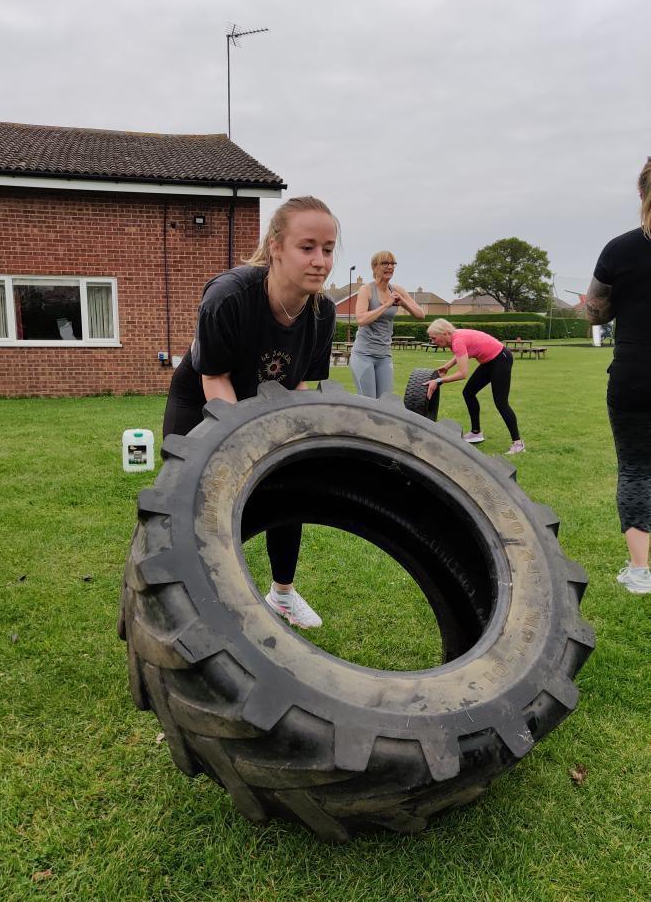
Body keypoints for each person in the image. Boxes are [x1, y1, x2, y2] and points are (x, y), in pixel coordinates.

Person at [162, 196, 338, 627]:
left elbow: (295, 385)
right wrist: (243, 442)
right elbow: (215, 378)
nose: (320, 261)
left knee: (287, 482)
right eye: (307, 247)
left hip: (265, 398)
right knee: (192, 497)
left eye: (329, 250)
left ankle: (282, 595)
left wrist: (277, 439)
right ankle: (178, 593)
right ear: (276, 246)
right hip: (202, 396)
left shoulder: (323, 312)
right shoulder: (229, 295)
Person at [584, 159, 651, 594]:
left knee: (636, 469)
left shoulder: (620, 249)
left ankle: (640, 571)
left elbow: (596, 309)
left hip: (635, 373)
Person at [424, 319, 524, 454]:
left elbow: (462, 374)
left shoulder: (457, 340)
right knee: (468, 392)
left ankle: (518, 443)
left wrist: (439, 381)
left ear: (445, 333)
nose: (433, 341)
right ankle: (476, 433)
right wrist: (447, 366)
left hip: (501, 359)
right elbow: (463, 353)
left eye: (434, 338)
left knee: (501, 402)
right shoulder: (455, 337)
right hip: (490, 361)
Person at [349, 251, 424, 397]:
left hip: (384, 355)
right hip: (364, 355)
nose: (389, 267)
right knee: (369, 404)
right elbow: (361, 319)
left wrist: (403, 303)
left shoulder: (397, 290)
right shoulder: (366, 290)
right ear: (375, 267)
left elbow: (420, 314)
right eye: (385, 263)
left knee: (385, 403)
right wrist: (386, 305)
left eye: (392, 264)